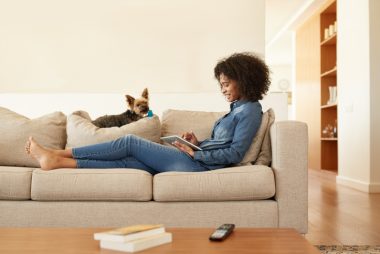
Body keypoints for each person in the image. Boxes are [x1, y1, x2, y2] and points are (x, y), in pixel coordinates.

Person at [25, 52, 270, 174]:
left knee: (130, 142)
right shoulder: (237, 109)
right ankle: (57, 161)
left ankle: (57, 152)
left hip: (199, 167)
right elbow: (221, 144)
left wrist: (196, 156)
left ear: (244, 80)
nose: (223, 89)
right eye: (222, 85)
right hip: (196, 160)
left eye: (227, 84)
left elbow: (236, 153)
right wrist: (196, 144)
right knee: (129, 163)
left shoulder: (250, 110)